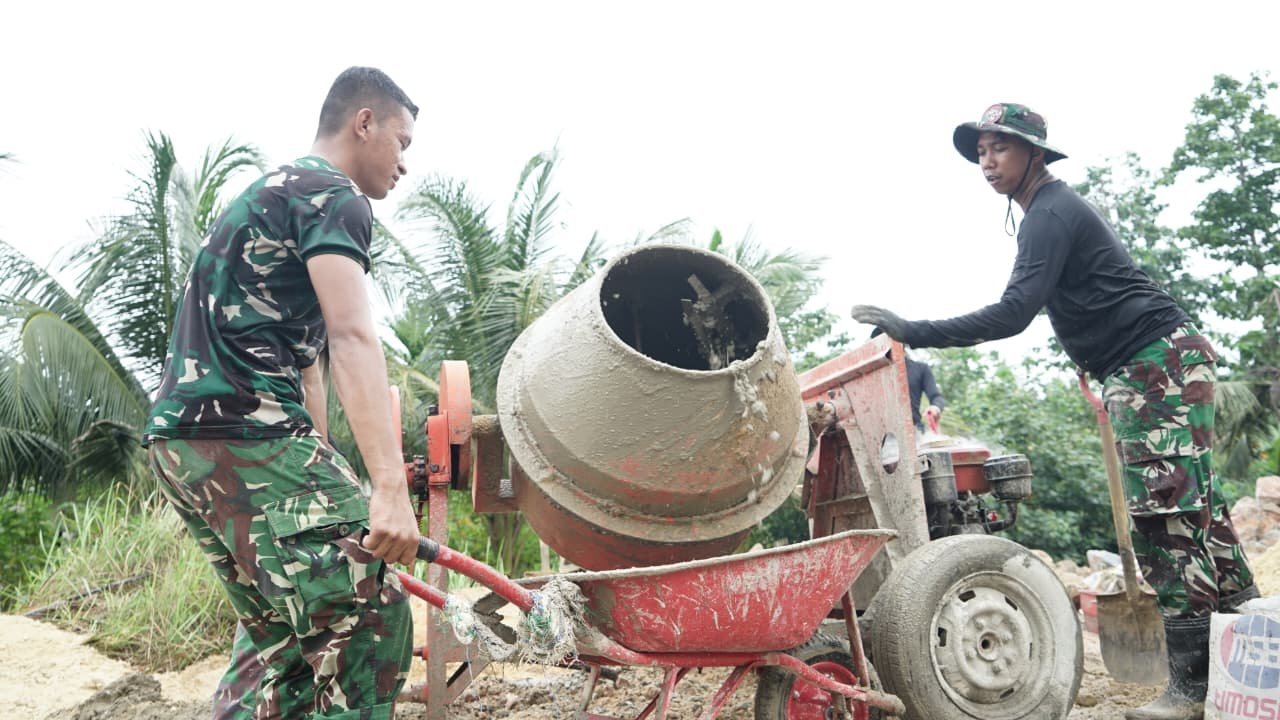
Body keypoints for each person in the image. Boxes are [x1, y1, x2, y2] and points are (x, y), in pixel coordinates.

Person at [852, 102, 1257, 720]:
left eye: (1000, 148)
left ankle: (1192, 689)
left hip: (1154, 366)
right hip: (1157, 361)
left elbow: (1013, 313)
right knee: (1199, 512)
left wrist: (914, 330)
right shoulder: (1048, 211)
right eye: (981, 152)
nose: (988, 162)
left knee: (1166, 521)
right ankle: (1253, 653)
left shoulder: (1049, 213)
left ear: (1034, 153)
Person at [144, 66, 420, 720]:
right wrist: (388, 487)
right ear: (364, 123)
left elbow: (310, 366)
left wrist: (323, 465)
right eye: (402, 142)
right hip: (248, 431)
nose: (404, 163)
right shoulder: (334, 197)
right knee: (369, 612)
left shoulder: (268, 194)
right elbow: (352, 337)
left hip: (180, 445)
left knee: (286, 642)